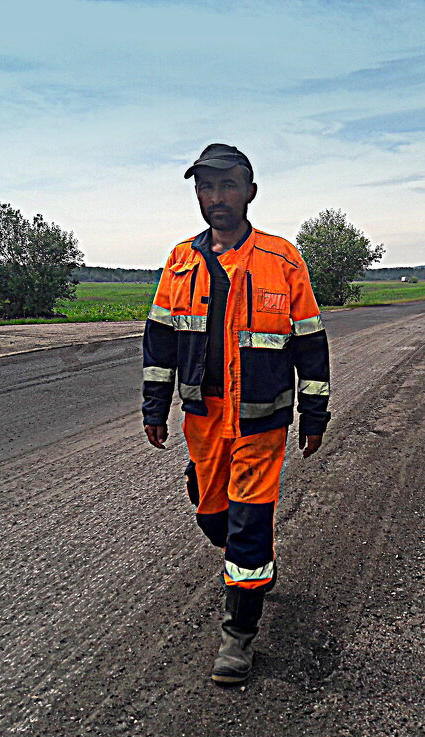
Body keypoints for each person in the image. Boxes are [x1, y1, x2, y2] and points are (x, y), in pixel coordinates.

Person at [141, 144, 331, 685]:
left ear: (250, 191)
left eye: (228, 186)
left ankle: (238, 635)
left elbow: (311, 346)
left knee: (248, 524)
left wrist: (314, 415)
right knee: (210, 512)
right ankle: (252, 565)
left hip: (261, 419)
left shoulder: (283, 258)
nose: (217, 198)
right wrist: (155, 405)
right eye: (206, 187)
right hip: (202, 416)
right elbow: (159, 344)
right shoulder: (179, 261)